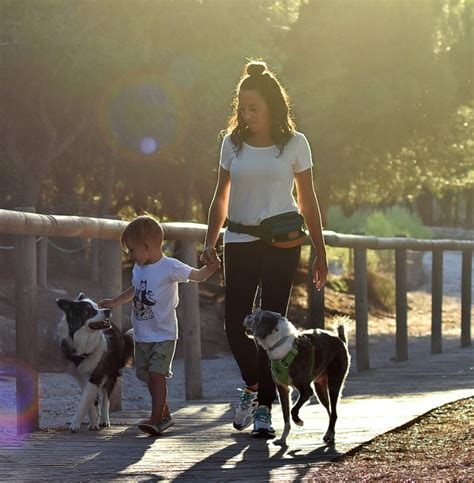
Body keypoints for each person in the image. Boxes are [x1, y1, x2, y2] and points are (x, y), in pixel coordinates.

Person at [200, 60, 328, 438]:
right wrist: (210, 241)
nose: (247, 114)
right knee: (234, 323)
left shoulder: (295, 144)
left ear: (273, 105)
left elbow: (307, 201)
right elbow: (220, 198)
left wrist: (320, 251)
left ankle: (266, 411)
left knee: (272, 329)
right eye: (242, 108)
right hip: (238, 240)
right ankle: (254, 387)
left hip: (282, 244)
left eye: (253, 107)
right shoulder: (231, 144)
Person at [100, 215, 219, 436]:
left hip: (164, 334)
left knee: (157, 374)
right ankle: (164, 415)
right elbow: (135, 291)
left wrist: (209, 269)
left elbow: (197, 276)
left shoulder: (170, 266)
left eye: (132, 250)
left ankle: (156, 418)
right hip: (143, 334)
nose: (130, 255)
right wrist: (115, 301)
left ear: (146, 247)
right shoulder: (139, 268)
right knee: (146, 375)